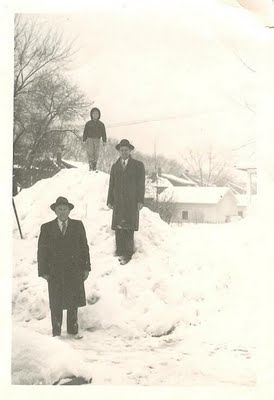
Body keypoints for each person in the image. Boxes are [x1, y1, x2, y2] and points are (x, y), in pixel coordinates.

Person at [37, 196, 91, 338]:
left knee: (73, 301)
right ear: (55, 211)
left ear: (69, 210)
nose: (62, 212)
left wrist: (86, 268)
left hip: (74, 270)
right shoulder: (47, 228)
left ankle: (73, 330)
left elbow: (84, 247)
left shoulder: (78, 225)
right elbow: (42, 251)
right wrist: (43, 271)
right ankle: (56, 331)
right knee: (56, 302)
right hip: (54, 271)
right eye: (59, 209)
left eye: (65, 209)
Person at [107, 139, 145, 265]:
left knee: (129, 227)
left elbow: (141, 185)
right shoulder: (115, 166)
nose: (124, 152)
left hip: (131, 201)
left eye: (126, 150)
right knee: (119, 227)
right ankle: (119, 251)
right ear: (119, 151)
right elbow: (111, 184)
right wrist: (110, 200)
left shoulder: (138, 166)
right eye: (121, 150)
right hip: (118, 201)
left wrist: (140, 201)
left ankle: (128, 254)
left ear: (130, 151)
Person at [83, 107, 107, 171]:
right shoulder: (88, 123)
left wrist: (104, 141)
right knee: (90, 151)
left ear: (99, 115)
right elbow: (85, 131)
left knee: (96, 152)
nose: (95, 114)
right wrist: (84, 139)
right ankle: (90, 164)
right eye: (94, 113)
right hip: (90, 139)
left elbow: (104, 133)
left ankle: (94, 164)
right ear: (91, 114)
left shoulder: (101, 124)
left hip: (97, 139)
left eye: (97, 113)